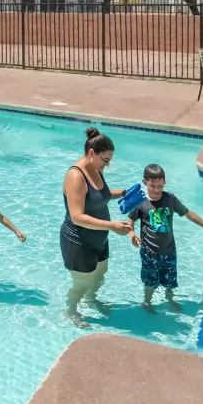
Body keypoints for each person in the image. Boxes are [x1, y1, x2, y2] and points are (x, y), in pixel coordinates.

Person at [60, 128, 131, 324]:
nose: (107, 165)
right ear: (92, 153)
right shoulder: (75, 176)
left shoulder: (96, 168)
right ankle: (71, 311)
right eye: (105, 160)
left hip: (99, 237)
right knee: (82, 284)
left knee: (100, 275)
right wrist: (112, 226)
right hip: (79, 241)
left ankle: (90, 300)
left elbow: (100, 195)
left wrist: (124, 193)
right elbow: (77, 217)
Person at [127, 164, 203, 312]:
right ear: (145, 182)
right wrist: (132, 235)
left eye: (160, 186)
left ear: (165, 182)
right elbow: (130, 221)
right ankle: (147, 302)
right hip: (149, 252)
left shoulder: (170, 198)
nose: (156, 190)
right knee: (150, 281)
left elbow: (188, 213)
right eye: (152, 186)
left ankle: (169, 298)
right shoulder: (140, 201)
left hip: (169, 250)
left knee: (170, 280)